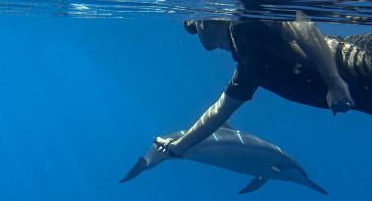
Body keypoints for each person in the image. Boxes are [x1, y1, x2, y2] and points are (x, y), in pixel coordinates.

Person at [155, 13, 372, 157]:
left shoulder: (244, 27)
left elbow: (301, 25)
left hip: (362, 61)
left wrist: (334, 82)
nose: (194, 30)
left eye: (193, 24)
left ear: (206, 22)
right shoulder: (248, 66)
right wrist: (179, 147)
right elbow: (219, 111)